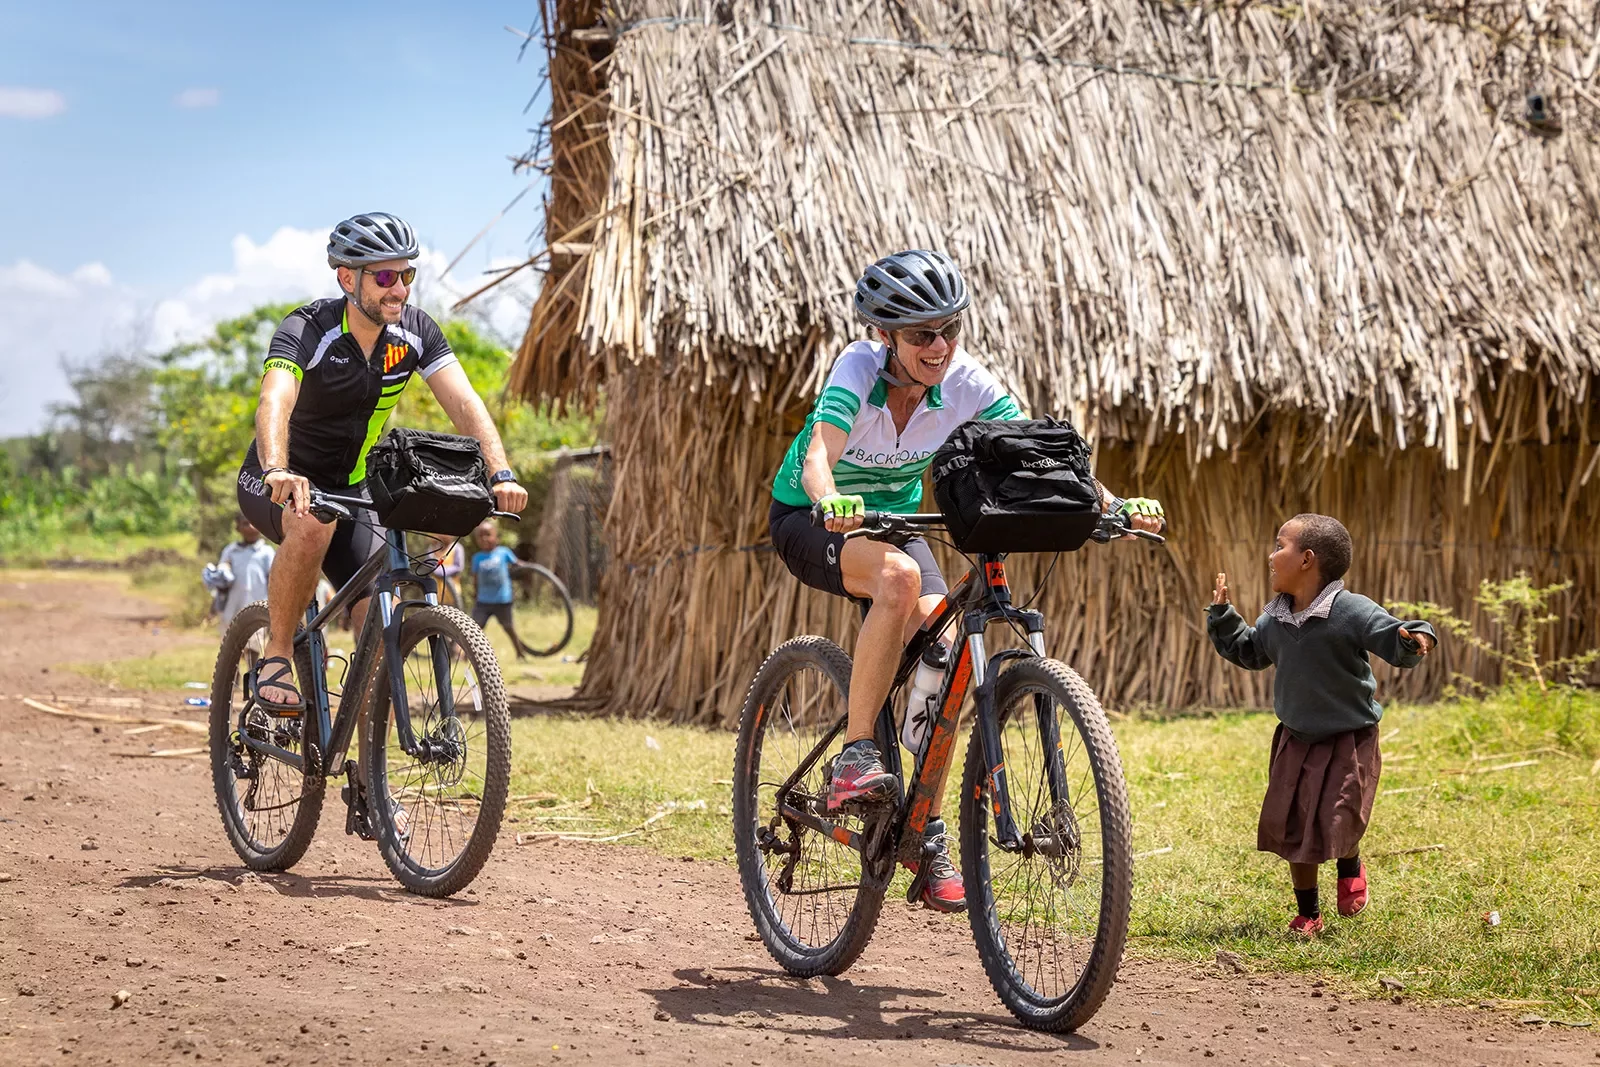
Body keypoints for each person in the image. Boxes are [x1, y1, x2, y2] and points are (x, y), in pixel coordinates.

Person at [767, 249, 1166, 912]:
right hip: (814, 517)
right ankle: (857, 753)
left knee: (944, 647)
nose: (940, 345)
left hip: (894, 518)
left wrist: (1110, 502)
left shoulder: (968, 381)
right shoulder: (857, 369)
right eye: (922, 333)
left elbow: (1040, 456)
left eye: (950, 328)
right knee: (896, 579)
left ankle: (924, 828)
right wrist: (830, 497)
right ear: (885, 336)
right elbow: (818, 456)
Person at [234, 211, 529, 717]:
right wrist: (278, 468)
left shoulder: (415, 333)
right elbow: (275, 401)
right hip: (276, 481)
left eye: (407, 276)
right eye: (386, 277)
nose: (400, 290)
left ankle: (369, 770)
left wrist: (500, 472)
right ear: (348, 278)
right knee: (310, 525)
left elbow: (465, 404)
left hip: (352, 486)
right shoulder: (308, 328)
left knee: (380, 610)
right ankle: (278, 653)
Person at [1207, 513, 1437, 937]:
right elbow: (1250, 652)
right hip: (1296, 739)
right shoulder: (1273, 620)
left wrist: (1415, 635)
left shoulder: (1350, 611)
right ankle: (1308, 913)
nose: (1271, 555)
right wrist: (1223, 616)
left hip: (1349, 738)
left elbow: (1392, 634)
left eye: (1280, 545)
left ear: (1307, 559)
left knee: (1339, 815)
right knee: (1294, 825)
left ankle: (1350, 861)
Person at [469, 521, 534, 659]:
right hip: (483, 601)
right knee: (474, 628)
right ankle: (464, 655)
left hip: (502, 599)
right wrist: (475, 594)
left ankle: (520, 653)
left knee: (509, 627)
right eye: (480, 536)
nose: (484, 539)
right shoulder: (477, 558)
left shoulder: (503, 553)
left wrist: (530, 567)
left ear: (496, 537)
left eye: (488, 535)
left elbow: (517, 564)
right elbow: (475, 579)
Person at [202, 514, 275, 633]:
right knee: (233, 647)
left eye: (254, 523)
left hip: (259, 609)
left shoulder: (266, 553)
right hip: (232, 610)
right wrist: (213, 609)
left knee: (255, 646)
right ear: (238, 528)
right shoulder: (230, 551)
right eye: (246, 524)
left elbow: (273, 582)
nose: (251, 527)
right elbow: (221, 583)